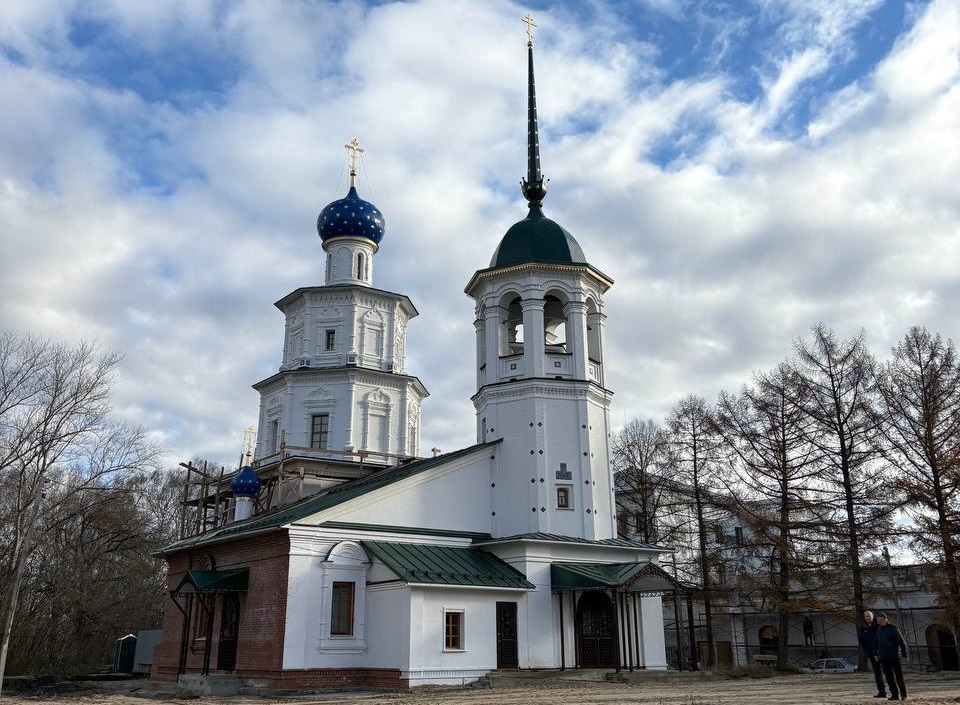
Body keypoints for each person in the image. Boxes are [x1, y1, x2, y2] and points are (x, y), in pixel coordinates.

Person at [873, 612, 908, 701]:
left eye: (880, 620)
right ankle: (895, 695)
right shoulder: (878, 630)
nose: (879, 622)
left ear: (885, 619)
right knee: (889, 678)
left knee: (899, 677)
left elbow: (902, 642)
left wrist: (904, 655)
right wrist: (875, 654)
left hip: (895, 657)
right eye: (878, 621)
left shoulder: (893, 629)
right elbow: (876, 643)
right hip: (884, 658)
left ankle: (903, 695)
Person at [859, 610, 886, 698]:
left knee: (888, 672)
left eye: (869, 616)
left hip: (882, 652)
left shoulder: (878, 626)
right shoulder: (863, 628)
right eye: (866, 616)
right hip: (872, 654)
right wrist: (868, 651)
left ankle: (894, 692)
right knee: (877, 673)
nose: (868, 618)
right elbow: (861, 641)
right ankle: (882, 692)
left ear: (872, 616)